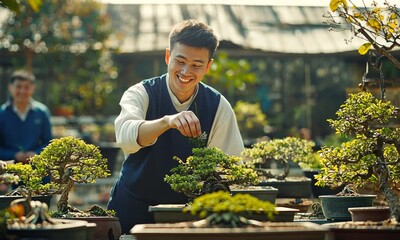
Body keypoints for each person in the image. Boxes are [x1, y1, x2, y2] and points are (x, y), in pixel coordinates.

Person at [108, 19, 244, 233]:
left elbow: (231, 166)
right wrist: (167, 121)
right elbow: (126, 136)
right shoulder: (141, 93)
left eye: (197, 65)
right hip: (133, 206)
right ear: (167, 56)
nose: (186, 71)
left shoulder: (218, 106)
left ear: (208, 66)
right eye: (180, 61)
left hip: (190, 214)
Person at [0, 69, 53, 165]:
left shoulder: (42, 112)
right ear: (10, 87)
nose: (22, 91)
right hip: (8, 171)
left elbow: (49, 143)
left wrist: (36, 153)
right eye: (18, 87)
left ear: (33, 88)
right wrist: (14, 155)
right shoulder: (2, 113)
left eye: (26, 87)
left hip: (37, 171)